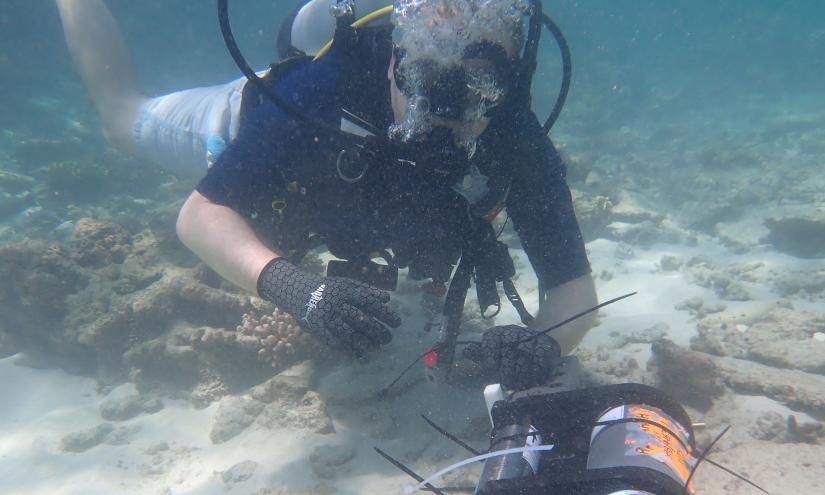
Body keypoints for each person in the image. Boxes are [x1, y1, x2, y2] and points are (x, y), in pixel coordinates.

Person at [58, 0, 598, 388]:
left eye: (473, 88)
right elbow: (199, 216)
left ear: (506, 84)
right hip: (240, 126)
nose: (439, 117)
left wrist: (543, 342)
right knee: (120, 119)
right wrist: (291, 286)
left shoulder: (514, 135)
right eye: (424, 82)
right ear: (393, 60)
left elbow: (573, 290)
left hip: (343, 207)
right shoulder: (325, 86)